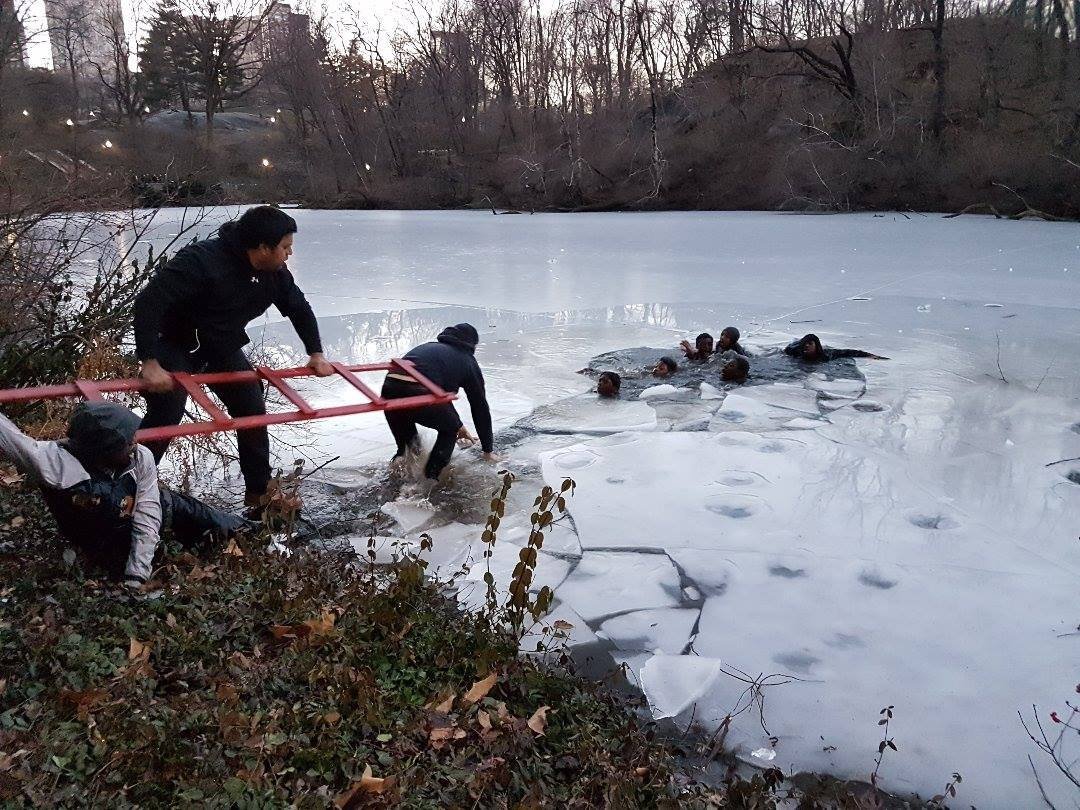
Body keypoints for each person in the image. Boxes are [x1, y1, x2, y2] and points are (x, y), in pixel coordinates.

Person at [133, 206, 335, 510]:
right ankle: (127, 487)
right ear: (263, 248)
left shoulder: (274, 274)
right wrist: (149, 362)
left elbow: (299, 308)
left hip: (219, 345)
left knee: (251, 405)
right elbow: (149, 303)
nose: (289, 253)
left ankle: (259, 492)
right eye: (285, 247)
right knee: (168, 411)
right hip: (175, 342)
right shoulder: (201, 261)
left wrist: (316, 354)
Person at [0, 402, 251, 588]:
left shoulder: (141, 457)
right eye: (126, 442)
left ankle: (252, 527)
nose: (135, 443)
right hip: (104, 535)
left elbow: (148, 514)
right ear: (102, 450)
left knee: (214, 523)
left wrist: (137, 574)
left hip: (160, 510)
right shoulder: (56, 464)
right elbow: (13, 440)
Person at [381, 324, 496, 482]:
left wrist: (458, 424)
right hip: (418, 391)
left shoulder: (430, 349)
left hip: (390, 390)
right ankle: (429, 481)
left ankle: (395, 479)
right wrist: (487, 450)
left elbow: (439, 395)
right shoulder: (468, 361)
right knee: (449, 430)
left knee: (409, 449)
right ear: (472, 344)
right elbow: (480, 407)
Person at [784, 333, 888, 362]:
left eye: (810, 344)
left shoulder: (826, 354)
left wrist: (869, 355)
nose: (806, 346)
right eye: (804, 344)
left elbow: (847, 352)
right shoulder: (794, 351)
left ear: (816, 346)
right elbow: (786, 350)